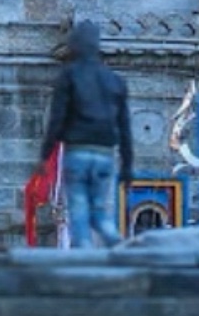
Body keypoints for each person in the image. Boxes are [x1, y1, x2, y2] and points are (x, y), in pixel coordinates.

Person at [39, 19, 133, 248]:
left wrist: (45, 155)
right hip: (105, 154)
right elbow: (124, 126)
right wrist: (127, 165)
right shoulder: (115, 81)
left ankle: (84, 252)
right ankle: (115, 241)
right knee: (99, 209)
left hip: (78, 151)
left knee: (79, 207)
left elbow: (57, 118)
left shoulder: (69, 76)